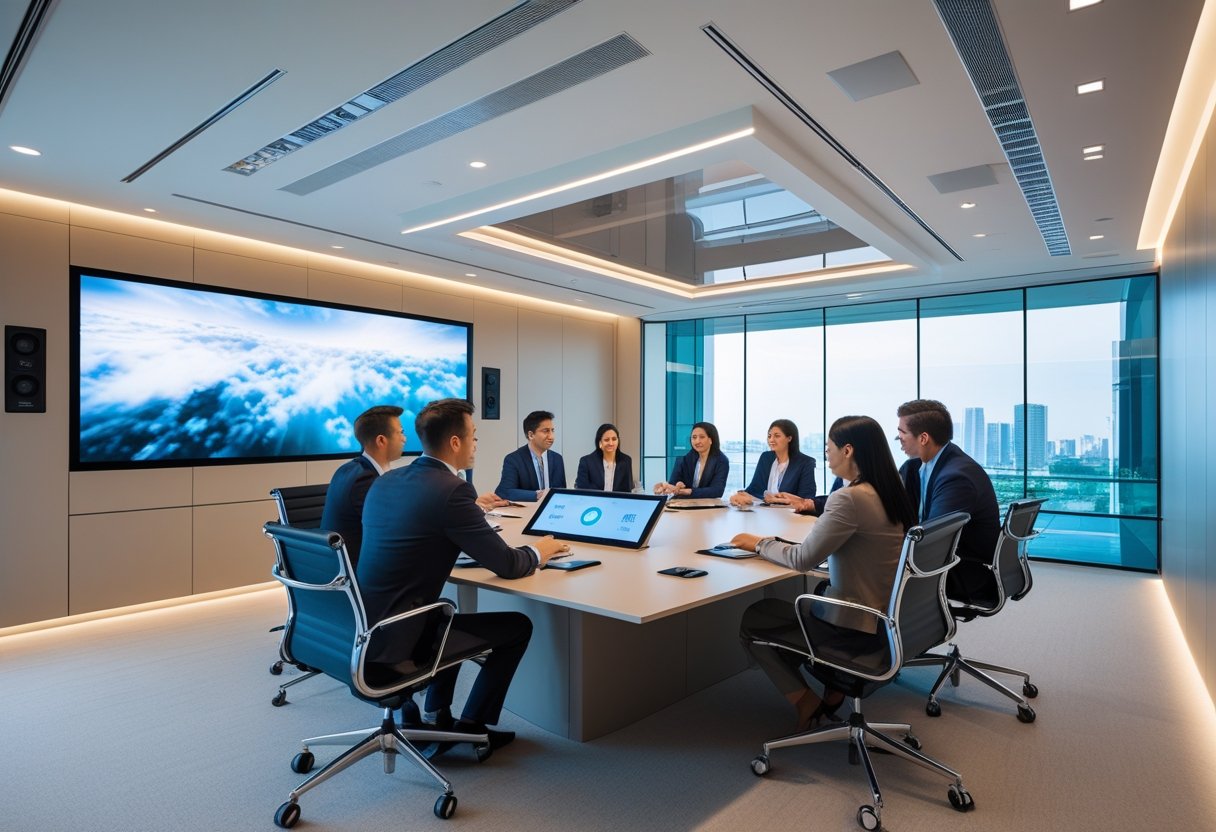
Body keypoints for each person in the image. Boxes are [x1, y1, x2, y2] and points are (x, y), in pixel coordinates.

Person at [358, 398, 565, 753]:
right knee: (516, 626)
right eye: (474, 436)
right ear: (455, 442)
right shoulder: (453, 490)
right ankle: (473, 727)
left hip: (362, 626)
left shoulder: (388, 480)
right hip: (400, 637)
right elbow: (509, 565)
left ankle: (439, 713)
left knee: (446, 609)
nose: (475, 444)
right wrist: (539, 551)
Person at [731, 415, 916, 732]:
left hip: (854, 625)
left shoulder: (850, 498)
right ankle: (834, 689)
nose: (826, 455)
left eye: (829, 448)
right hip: (888, 617)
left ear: (848, 451)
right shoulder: (889, 490)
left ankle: (807, 700)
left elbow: (802, 559)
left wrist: (759, 543)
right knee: (815, 593)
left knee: (757, 616)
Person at [895, 399, 1001, 600]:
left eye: (902, 434)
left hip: (964, 571)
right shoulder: (919, 467)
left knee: (870, 572)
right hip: (949, 561)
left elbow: (931, 543)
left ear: (923, 438)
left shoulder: (956, 477)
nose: (899, 439)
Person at [319, 405, 405, 566]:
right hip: (358, 576)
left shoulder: (349, 469)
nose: (404, 439)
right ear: (381, 440)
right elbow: (392, 530)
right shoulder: (364, 481)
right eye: (400, 432)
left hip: (341, 568)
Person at [729, 419, 817, 508]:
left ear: (789, 438)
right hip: (764, 512)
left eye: (777, 436)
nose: (771, 440)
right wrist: (740, 496)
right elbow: (753, 489)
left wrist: (780, 500)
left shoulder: (805, 462)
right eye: (769, 436)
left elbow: (807, 499)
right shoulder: (766, 458)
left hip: (790, 516)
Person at [496, 410, 566, 501]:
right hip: (526, 512)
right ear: (531, 435)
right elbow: (505, 491)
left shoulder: (557, 459)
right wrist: (537, 495)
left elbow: (562, 490)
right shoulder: (513, 459)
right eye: (546, 431)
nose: (551, 436)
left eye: (552, 431)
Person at [653, 421, 729, 499]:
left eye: (702, 437)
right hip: (683, 503)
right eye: (694, 437)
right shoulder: (685, 459)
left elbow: (717, 490)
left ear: (711, 440)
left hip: (707, 506)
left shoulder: (721, 461)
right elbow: (673, 483)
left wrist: (689, 491)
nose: (697, 441)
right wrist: (677, 484)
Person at [574, 423, 634, 491]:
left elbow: (627, 490)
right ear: (600, 442)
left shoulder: (626, 461)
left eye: (614, 439)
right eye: (606, 440)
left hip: (617, 501)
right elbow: (582, 491)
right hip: (593, 501)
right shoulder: (586, 462)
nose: (611, 443)